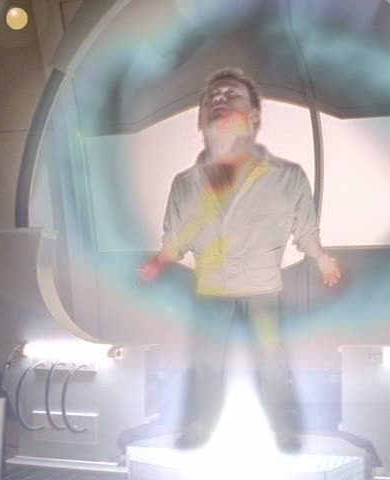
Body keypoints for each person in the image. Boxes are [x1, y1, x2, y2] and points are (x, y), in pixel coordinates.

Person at [139, 68, 341, 452]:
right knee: (206, 364)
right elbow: (176, 241)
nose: (219, 99)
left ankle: (284, 429)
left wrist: (323, 259)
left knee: (273, 363)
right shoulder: (185, 184)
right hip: (211, 290)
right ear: (200, 119)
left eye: (230, 94)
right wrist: (155, 265)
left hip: (262, 289)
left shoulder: (287, 177)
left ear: (254, 116)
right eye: (211, 97)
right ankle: (199, 426)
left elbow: (305, 232)